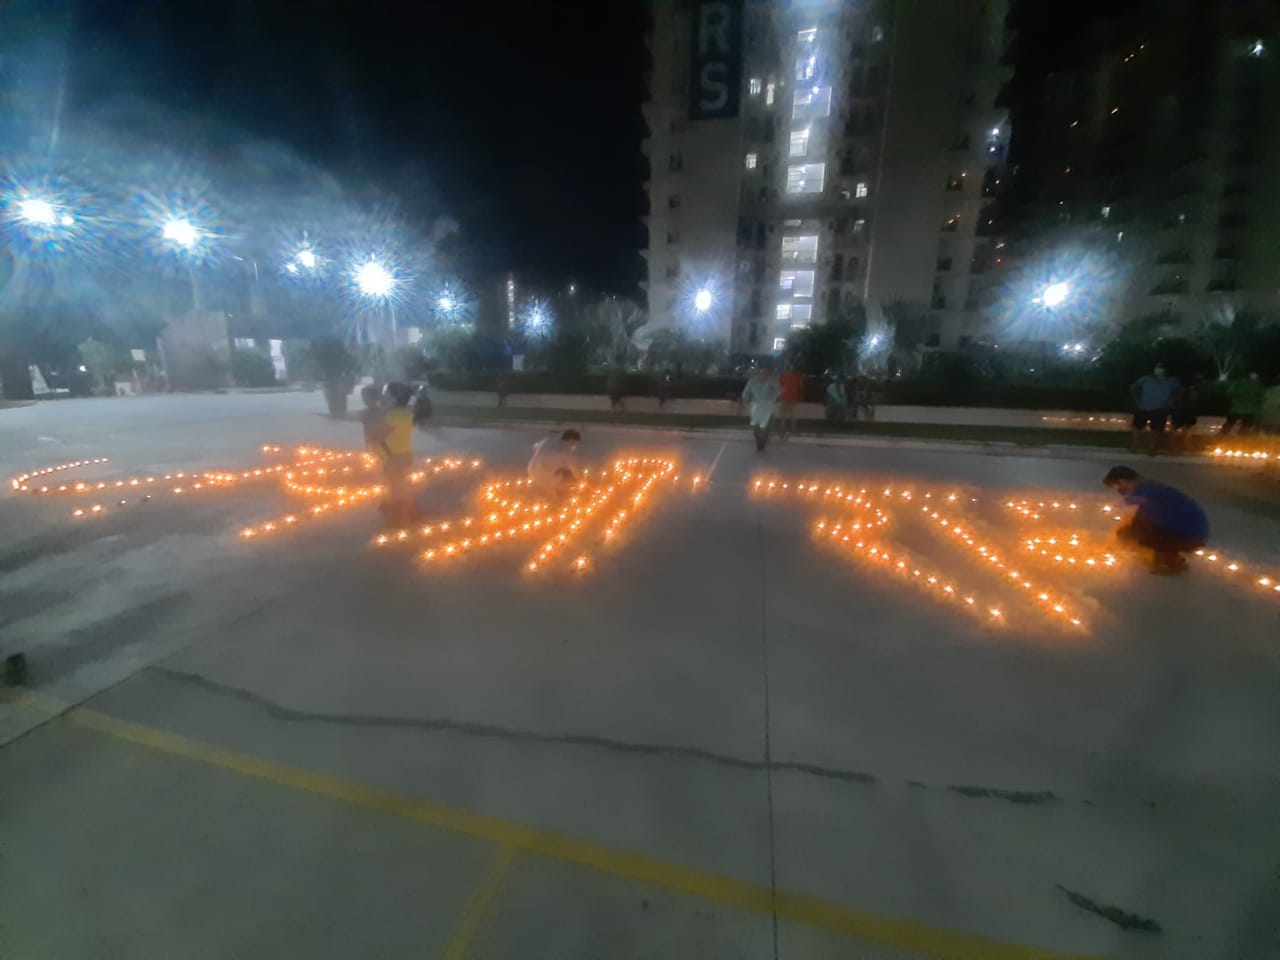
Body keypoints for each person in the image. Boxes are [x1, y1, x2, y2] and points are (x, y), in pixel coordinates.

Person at [1103, 465, 1209, 574]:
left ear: (1122, 481)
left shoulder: (1142, 491)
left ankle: (1170, 562)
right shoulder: (1152, 487)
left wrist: (1116, 544)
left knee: (1130, 533)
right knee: (1137, 530)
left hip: (1189, 537)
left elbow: (1134, 521)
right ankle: (1165, 557)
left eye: (1116, 486)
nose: (1118, 490)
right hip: (1197, 534)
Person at [372, 381, 416, 528]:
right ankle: (400, 508)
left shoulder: (393, 416)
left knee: (395, 483)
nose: (383, 397)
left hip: (393, 455)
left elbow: (380, 437)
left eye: (386, 394)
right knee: (398, 481)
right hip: (404, 453)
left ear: (394, 398)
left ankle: (401, 515)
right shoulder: (407, 412)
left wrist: (383, 451)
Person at [1129, 364, 1180, 454]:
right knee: (1137, 427)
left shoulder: (1171, 381)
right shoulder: (1145, 379)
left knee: (1156, 430)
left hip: (1160, 409)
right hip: (1144, 408)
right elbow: (1133, 388)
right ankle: (1134, 446)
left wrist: (1172, 401)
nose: (1157, 370)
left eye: (1160, 368)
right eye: (1157, 368)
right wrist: (1137, 400)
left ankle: (1152, 448)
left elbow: (1180, 391)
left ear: (1165, 370)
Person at [528, 428, 581, 497]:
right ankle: (560, 493)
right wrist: (582, 481)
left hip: (531, 471)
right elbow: (575, 469)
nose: (574, 445)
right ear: (571, 440)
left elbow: (534, 446)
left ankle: (550, 489)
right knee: (570, 476)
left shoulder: (548, 440)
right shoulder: (566, 451)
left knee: (560, 469)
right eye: (574, 443)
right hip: (544, 477)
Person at [742, 368, 781, 452]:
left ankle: (762, 442)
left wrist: (774, 393)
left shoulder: (772, 381)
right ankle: (758, 441)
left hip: (769, 405)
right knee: (755, 425)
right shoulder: (753, 381)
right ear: (758, 374)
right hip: (756, 405)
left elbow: (778, 392)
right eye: (762, 374)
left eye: (766, 374)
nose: (764, 376)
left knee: (767, 426)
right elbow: (746, 393)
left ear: (769, 375)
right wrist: (745, 403)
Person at [1221, 372, 1264, 436]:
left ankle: (1219, 439)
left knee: (1228, 425)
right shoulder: (1257, 384)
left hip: (1237, 408)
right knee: (1245, 428)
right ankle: (1241, 441)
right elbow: (1262, 397)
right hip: (1251, 410)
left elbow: (1230, 393)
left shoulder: (1237, 383)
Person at [1171, 372, 1202, 452]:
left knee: (1186, 430)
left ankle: (1184, 446)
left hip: (1188, 411)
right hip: (1182, 411)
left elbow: (1195, 400)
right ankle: (1176, 446)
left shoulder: (1193, 389)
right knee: (1178, 429)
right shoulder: (1182, 389)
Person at [776, 366, 803, 441]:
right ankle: (793, 431)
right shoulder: (797, 376)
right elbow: (801, 387)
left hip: (785, 398)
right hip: (791, 398)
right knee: (792, 415)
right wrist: (800, 396)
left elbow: (779, 387)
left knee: (783, 416)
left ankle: (782, 431)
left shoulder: (783, 376)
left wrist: (778, 396)